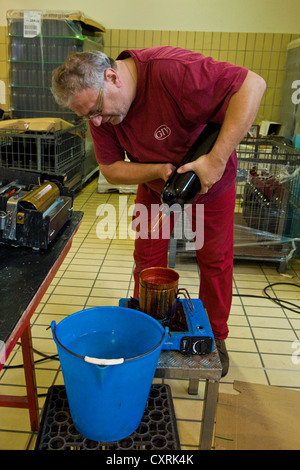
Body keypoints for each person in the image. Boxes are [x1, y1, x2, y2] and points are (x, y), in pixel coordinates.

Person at [51, 47, 266, 377]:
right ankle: (147, 330)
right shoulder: (101, 112)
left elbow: (252, 84)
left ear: (112, 77)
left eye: (96, 109)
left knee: (214, 260)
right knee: (147, 258)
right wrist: (157, 170)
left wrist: (217, 158)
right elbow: (110, 167)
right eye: (86, 117)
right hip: (156, 186)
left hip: (209, 181)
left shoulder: (171, 71)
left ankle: (216, 336)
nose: (95, 121)